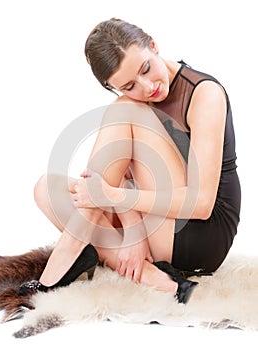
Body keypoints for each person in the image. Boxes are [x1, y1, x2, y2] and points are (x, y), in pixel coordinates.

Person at [19, 18, 241, 304]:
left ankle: (66, 259)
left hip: (201, 229)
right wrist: (132, 228)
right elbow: (123, 172)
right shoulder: (135, 101)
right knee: (47, 188)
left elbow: (201, 203)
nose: (147, 87)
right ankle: (160, 280)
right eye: (129, 85)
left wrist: (114, 196)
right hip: (156, 217)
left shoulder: (205, 94)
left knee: (125, 111)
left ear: (153, 45)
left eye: (146, 68)